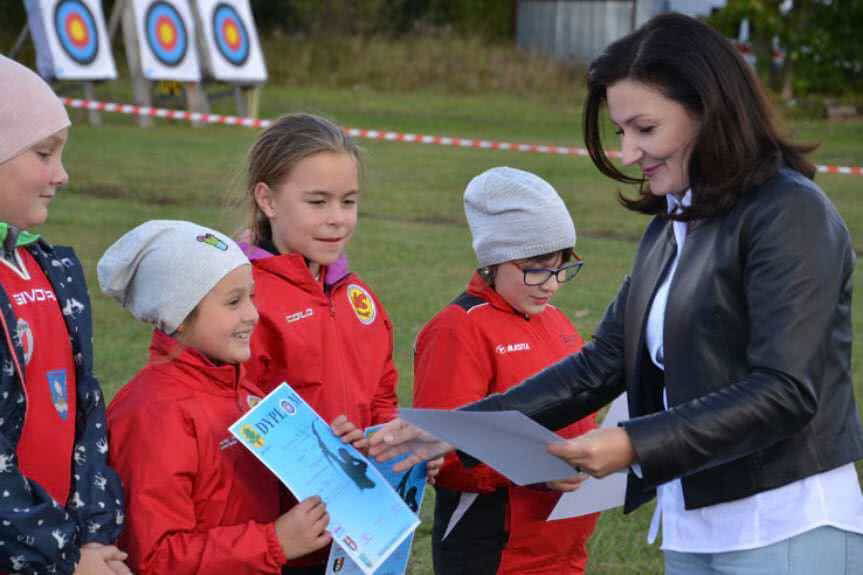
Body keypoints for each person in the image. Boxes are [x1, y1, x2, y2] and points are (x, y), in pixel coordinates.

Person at [371, 12, 863, 574]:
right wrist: (452, 428)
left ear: (711, 111)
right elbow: (601, 364)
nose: (628, 152)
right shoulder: (674, 224)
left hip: (787, 525)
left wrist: (633, 444)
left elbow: (784, 390)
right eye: (620, 132)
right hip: (692, 522)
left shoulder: (789, 212)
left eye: (645, 129)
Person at [99, 221, 331, 575]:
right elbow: (154, 558)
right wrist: (274, 542)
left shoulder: (245, 389)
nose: (253, 314)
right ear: (178, 316)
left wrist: (328, 454)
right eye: (234, 301)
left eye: (252, 296)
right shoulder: (155, 414)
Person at [412, 167, 598, 574]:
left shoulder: (556, 322)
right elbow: (440, 452)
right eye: (536, 269)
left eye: (561, 268)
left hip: (561, 548)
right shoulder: (457, 329)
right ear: (494, 260)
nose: (550, 285)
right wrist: (536, 470)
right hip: (497, 551)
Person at [239, 113, 399, 574]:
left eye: (348, 202)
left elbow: (381, 395)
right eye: (317, 202)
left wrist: (388, 442)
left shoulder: (359, 297)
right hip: (284, 533)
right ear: (266, 198)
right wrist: (318, 444)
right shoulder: (241, 297)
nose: (336, 220)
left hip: (357, 531)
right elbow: (226, 412)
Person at [0, 55, 130, 575]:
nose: (62, 174)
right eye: (44, 153)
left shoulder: (48, 267)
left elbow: (83, 406)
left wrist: (91, 537)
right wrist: (62, 559)